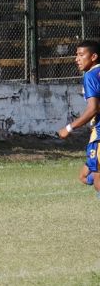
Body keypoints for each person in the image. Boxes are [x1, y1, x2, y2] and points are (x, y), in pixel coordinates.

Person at [58, 39, 100, 193]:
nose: (77, 59)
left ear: (93, 56)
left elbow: (92, 109)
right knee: (84, 176)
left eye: (81, 55)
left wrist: (69, 128)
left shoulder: (91, 76)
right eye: (76, 55)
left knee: (97, 180)